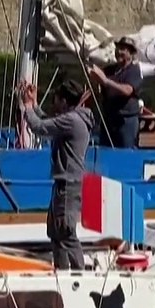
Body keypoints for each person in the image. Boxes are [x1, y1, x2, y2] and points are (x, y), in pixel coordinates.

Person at [19, 79, 95, 271]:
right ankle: (62, 271)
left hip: (68, 185)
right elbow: (49, 122)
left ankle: (78, 274)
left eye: (56, 100)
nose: (54, 104)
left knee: (66, 232)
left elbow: (40, 127)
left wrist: (27, 107)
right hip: (64, 184)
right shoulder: (73, 118)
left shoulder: (72, 120)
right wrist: (34, 105)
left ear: (64, 101)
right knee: (55, 232)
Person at [87, 37, 144, 149]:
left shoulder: (134, 70)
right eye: (117, 48)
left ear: (131, 53)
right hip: (109, 119)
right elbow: (98, 87)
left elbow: (127, 90)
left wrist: (106, 81)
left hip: (126, 120)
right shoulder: (109, 70)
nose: (118, 52)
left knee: (125, 152)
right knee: (105, 151)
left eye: (122, 49)